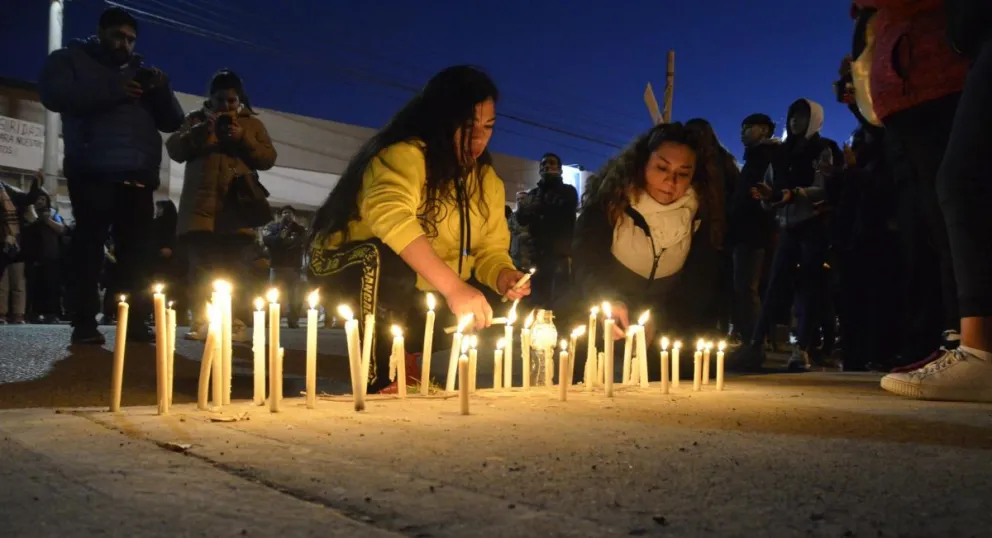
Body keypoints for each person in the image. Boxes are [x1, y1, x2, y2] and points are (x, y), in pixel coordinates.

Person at [307, 65, 531, 394]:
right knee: (384, 261)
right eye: (469, 126)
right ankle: (382, 374)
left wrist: (503, 275)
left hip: (419, 286)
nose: (480, 138)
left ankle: (407, 358)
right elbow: (391, 216)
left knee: (487, 303)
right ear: (441, 120)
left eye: (488, 127)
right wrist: (453, 288)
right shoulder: (403, 156)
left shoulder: (486, 182)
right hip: (346, 267)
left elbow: (489, 250)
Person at [38, 7, 185, 344]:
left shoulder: (140, 73)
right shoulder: (71, 58)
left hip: (137, 174)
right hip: (93, 169)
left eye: (131, 39)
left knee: (137, 253)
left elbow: (173, 121)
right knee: (88, 248)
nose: (125, 44)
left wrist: (161, 90)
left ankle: (134, 322)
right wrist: (117, 90)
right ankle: (84, 322)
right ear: (101, 32)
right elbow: (54, 95)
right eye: (119, 36)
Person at [881, 1, 992, 401]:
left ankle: (979, 352)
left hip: (939, 79)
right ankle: (968, 344)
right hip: (929, 78)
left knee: (964, 181)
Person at [851, 0, 970, 366]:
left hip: (937, 83)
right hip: (905, 98)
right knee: (929, 226)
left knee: (954, 215)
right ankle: (949, 336)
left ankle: (964, 338)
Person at [564, 122, 724, 382]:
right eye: (661, 168)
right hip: (602, 311)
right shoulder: (610, 202)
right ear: (641, 164)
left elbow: (699, 286)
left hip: (664, 324)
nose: (670, 181)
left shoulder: (701, 218)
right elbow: (587, 262)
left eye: (683, 174)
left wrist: (661, 320)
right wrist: (608, 300)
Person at [167, 70, 277, 342]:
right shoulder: (195, 120)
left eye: (231, 100)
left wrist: (242, 138)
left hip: (237, 209)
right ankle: (203, 321)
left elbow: (267, 158)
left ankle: (235, 322)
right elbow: (174, 150)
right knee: (202, 269)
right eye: (220, 100)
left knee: (236, 270)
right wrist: (201, 130)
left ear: (239, 99)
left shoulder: (252, 124)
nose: (226, 106)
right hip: (200, 210)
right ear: (210, 98)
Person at [738, 99, 840, 371]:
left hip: (812, 224)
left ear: (814, 120)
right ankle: (755, 344)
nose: (796, 120)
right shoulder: (781, 153)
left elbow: (823, 186)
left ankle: (802, 349)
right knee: (773, 286)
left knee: (808, 287)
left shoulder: (822, 148)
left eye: (803, 116)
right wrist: (766, 198)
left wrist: (793, 194)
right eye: (793, 115)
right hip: (786, 226)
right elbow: (771, 187)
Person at [727, 114, 779, 347]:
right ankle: (751, 339)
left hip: (754, 231)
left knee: (748, 288)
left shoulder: (766, 157)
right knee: (746, 287)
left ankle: (753, 343)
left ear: (764, 130)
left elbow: (765, 195)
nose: (743, 132)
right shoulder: (754, 157)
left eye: (748, 127)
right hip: (748, 230)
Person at [512, 153, 579, 307]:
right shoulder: (533, 193)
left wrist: (536, 206)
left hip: (559, 257)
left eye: (551, 163)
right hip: (536, 257)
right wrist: (522, 210)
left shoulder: (568, 191)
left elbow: (562, 211)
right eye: (543, 164)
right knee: (536, 301)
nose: (547, 166)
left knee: (558, 301)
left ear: (560, 169)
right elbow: (522, 221)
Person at [22, 191, 66, 323]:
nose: (40, 202)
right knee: (35, 287)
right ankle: (34, 313)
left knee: (52, 287)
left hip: (53, 257)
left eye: (43, 199)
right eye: (38, 199)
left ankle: (51, 313)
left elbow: (62, 230)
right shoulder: (29, 213)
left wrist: (47, 220)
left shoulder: (53, 214)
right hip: (35, 258)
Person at [262, 206, 306, 329]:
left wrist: (286, 241)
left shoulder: (299, 229)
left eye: (290, 213)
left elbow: (301, 242)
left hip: (294, 268)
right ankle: (272, 320)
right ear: (280, 215)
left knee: (295, 296)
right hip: (277, 267)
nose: (287, 215)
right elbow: (267, 241)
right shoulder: (273, 228)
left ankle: (293, 321)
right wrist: (281, 236)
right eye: (284, 212)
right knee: (274, 295)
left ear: (294, 216)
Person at [0, 181, 29, 325]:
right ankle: (2, 313)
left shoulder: (8, 190)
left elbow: (28, 198)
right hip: (2, 241)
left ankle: (18, 314)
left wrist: (37, 184)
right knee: (2, 283)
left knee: (18, 281)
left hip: (15, 242)